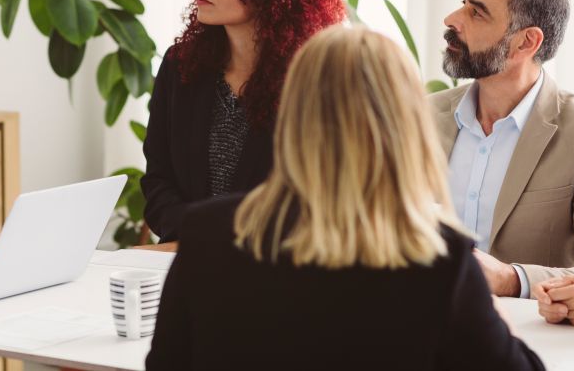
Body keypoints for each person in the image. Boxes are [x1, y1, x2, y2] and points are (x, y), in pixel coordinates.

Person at [146, 27, 545, 370]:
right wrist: (500, 323)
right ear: (405, 126)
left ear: (293, 112)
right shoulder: (439, 263)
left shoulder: (209, 233)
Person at [141, 0, 344, 242]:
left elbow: (316, 203)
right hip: (186, 260)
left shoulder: (314, 81)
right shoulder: (181, 65)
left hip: (274, 272)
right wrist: (200, 236)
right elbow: (157, 182)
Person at [430, 0, 574, 297]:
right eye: (464, 3)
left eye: (477, 12)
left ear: (526, 42)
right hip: (415, 334)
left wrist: (513, 279)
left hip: (533, 341)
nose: (452, 20)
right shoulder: (416, 117)